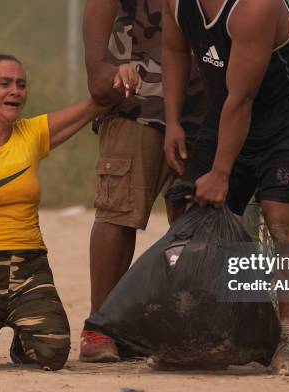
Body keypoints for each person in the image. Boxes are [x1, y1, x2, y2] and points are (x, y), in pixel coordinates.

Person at [0, 54, 141, 373]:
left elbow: (97, 103)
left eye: (21, 84)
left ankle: (24, 335)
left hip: (31, 270)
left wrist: (120, 75)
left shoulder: (32, 134)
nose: (15, 91)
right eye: (4, 83)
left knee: (52, 355)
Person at [163, 0, 289, 375]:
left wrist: (221, 173)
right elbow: (172, 50)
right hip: (227, 112)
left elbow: (243, 97)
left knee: (280, 218)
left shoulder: (255, 7)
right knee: (190, 216)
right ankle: (204, 333)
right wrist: (172, 121)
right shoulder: (176, 4)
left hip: (283, 121)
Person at [80, 0, 206, 363]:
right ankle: (101, 327)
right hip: (140, 89)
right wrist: (97, 67)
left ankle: (182, 327)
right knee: (119, 210)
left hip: (204, 92)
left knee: (193, 220)